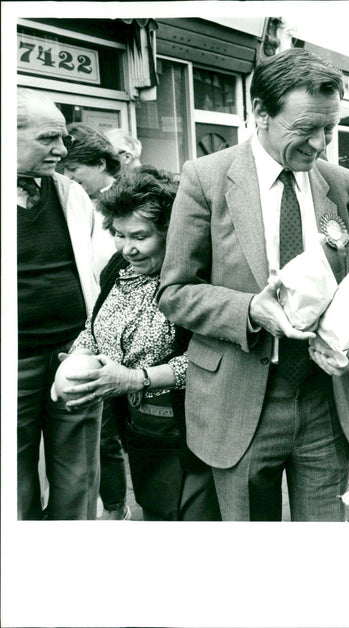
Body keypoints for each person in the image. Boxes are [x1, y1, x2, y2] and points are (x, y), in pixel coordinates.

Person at [158, 47, 349, 522]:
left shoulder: (342, 184)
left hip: (324, 400)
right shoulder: (206, 179)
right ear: (259, 112)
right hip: (240, 400)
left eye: (329, 129)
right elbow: (174, 292)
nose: (319, 144)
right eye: (305, 130)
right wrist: (250, 310)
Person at [58, 169, 221, 521]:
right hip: (142, 429)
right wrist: (78, 358)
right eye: (118, 234)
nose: (127, 247)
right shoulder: (118, 267)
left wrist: (136, 379)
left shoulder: (198, 278)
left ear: (171, 232)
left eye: (140, 236)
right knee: (157, 509)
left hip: (190, 431)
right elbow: (95, 325)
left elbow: (213, 360)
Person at [16, 88, 113, 519]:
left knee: (78, 475)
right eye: (47, 139)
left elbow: (100, 269)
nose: (61, 149)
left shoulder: (70, 194)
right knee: (13, 482)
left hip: (73, 355)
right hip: (13, 362)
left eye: (62, 139)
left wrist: (96, 341)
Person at [62, 122, 128, 519]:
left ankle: (118, 507)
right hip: (96, 326)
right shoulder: (75, 203)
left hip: (123, 327)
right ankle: (111, 505)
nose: (69, 179)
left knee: (113, 432)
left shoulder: (120, 203)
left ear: (102, 164)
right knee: (103, 430)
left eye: (75, 171)